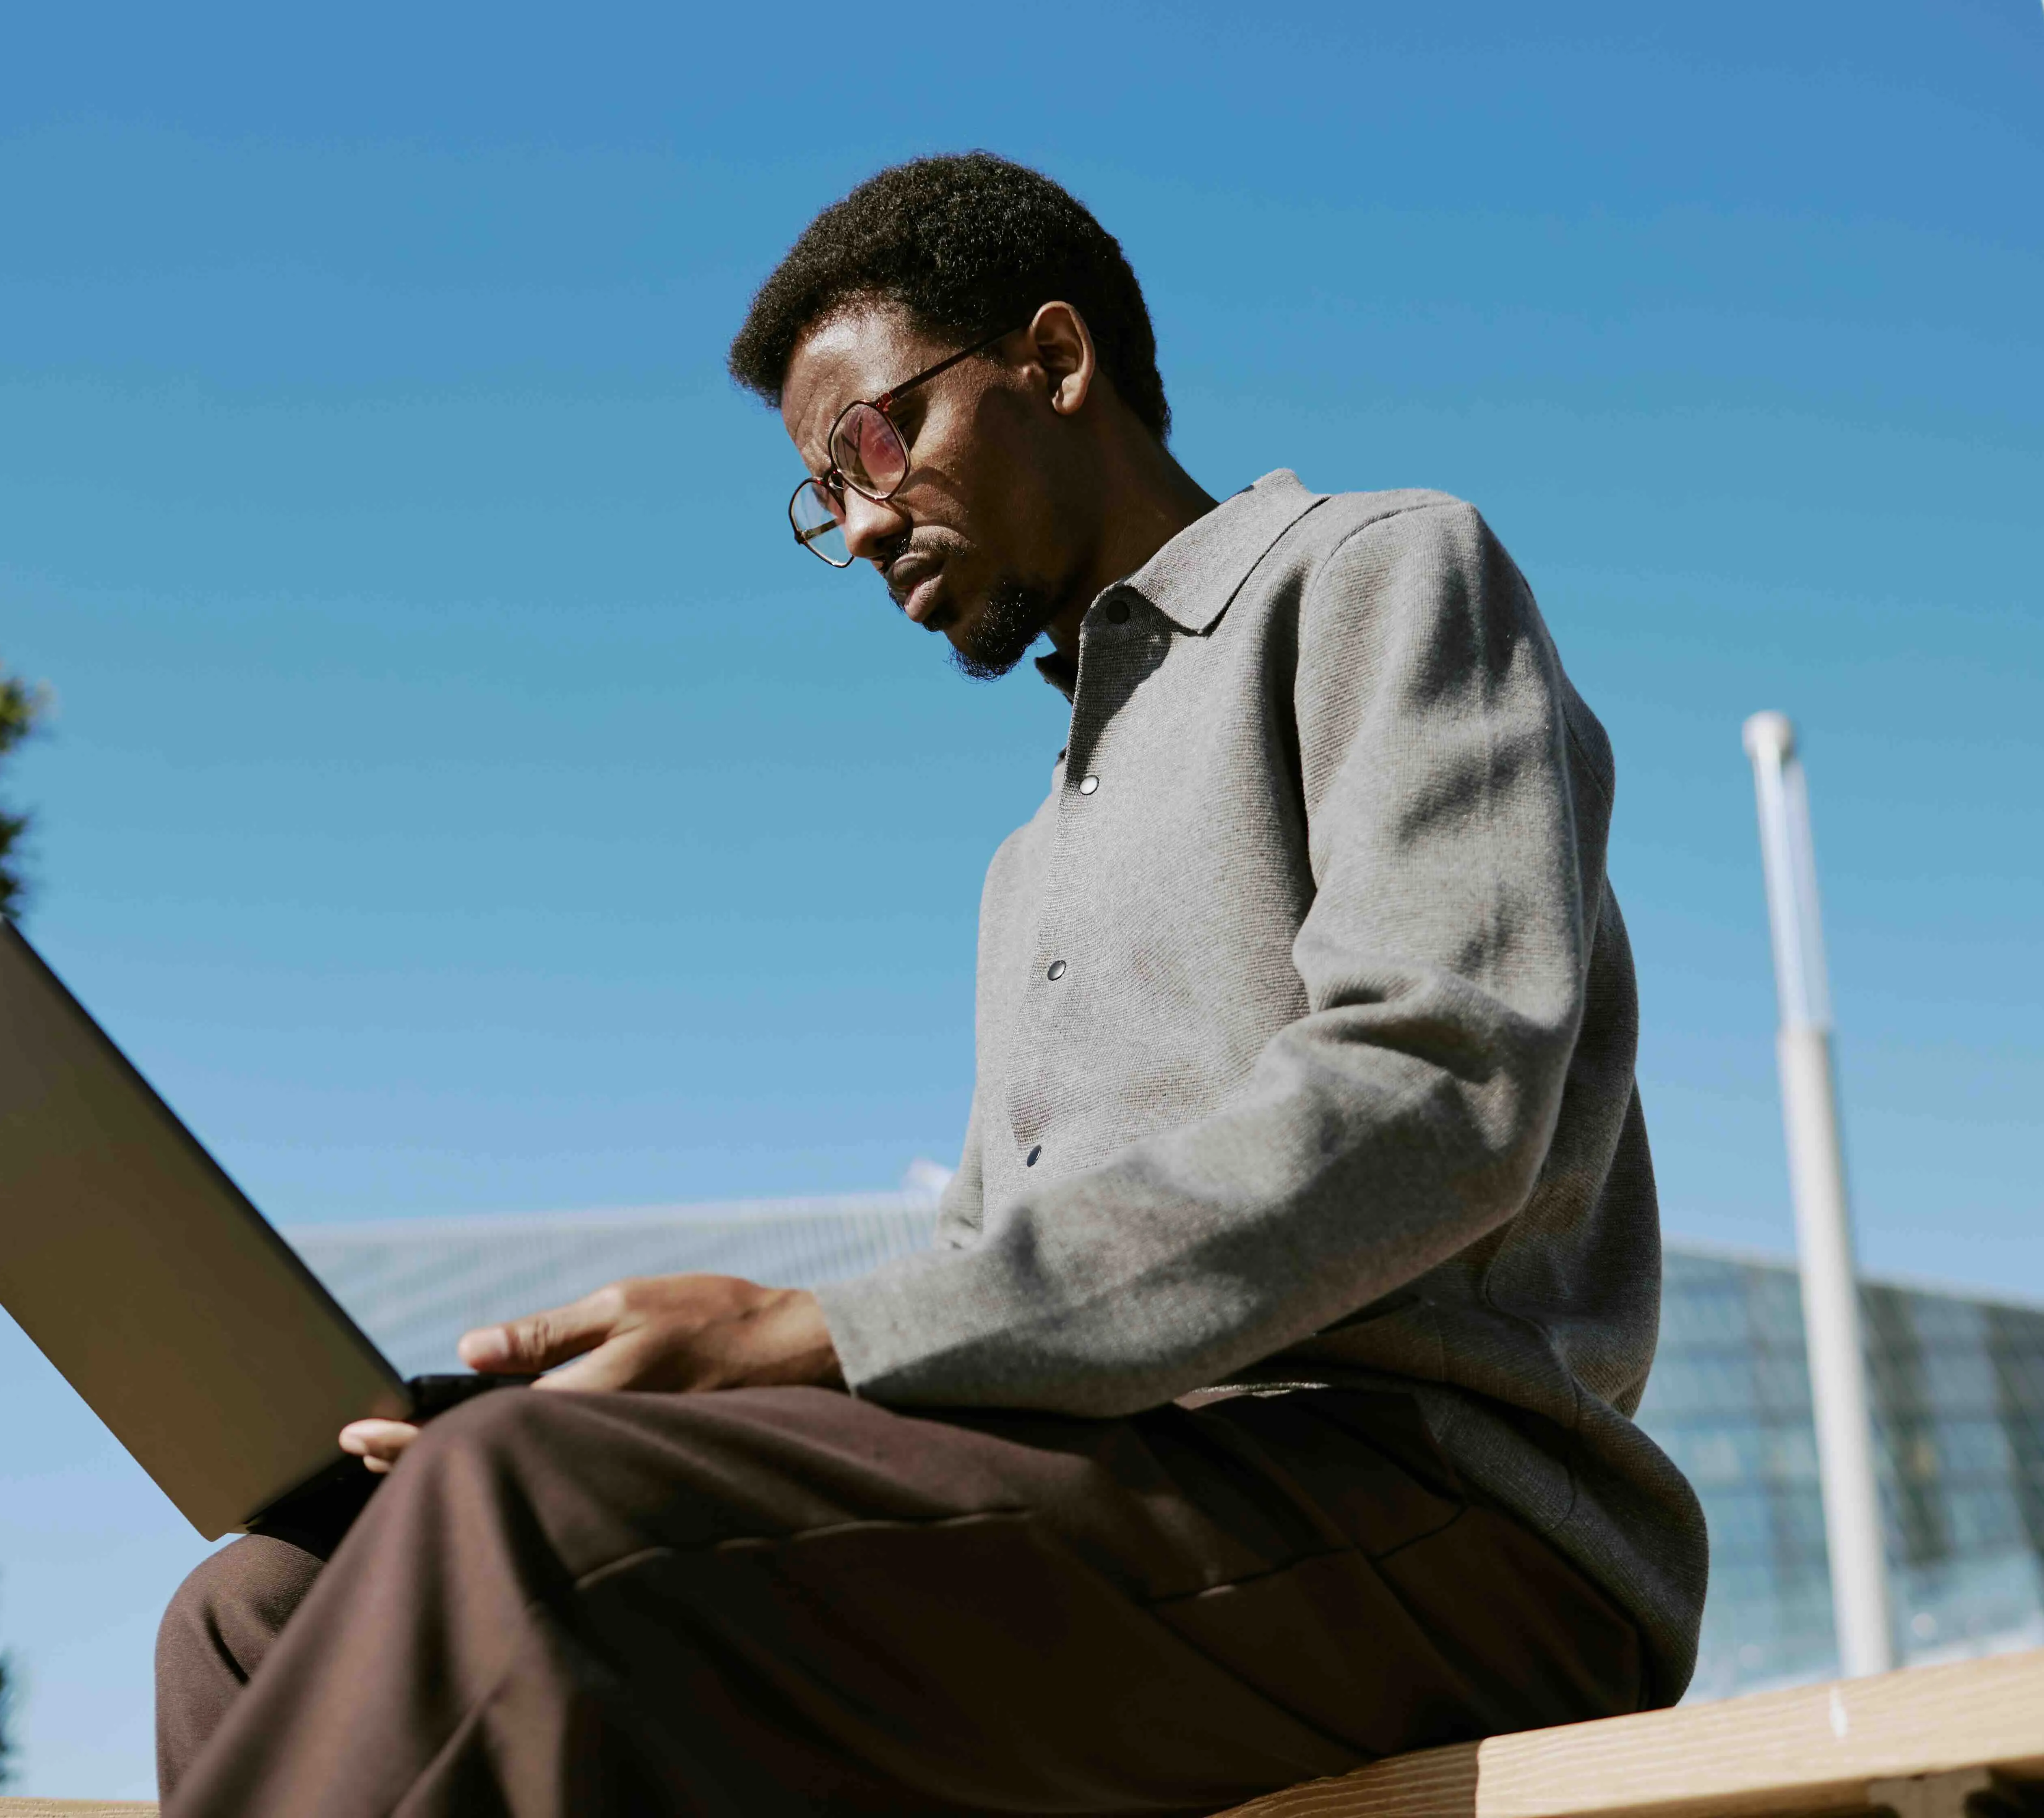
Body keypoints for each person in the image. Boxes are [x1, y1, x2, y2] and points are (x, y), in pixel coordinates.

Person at [155, 151, 1707, 1818]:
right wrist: (684, 1384)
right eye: (823, 499)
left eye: (874, 447)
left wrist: (812, 1335)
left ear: (1055, 360)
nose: (863, 524)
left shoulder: (1378, 572)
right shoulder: (1027, 865)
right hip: (1118, 1496)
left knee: (531, 1503)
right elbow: (988, 1284)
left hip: (1435, 1506)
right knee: (257, 1605)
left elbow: (1442, 1089)